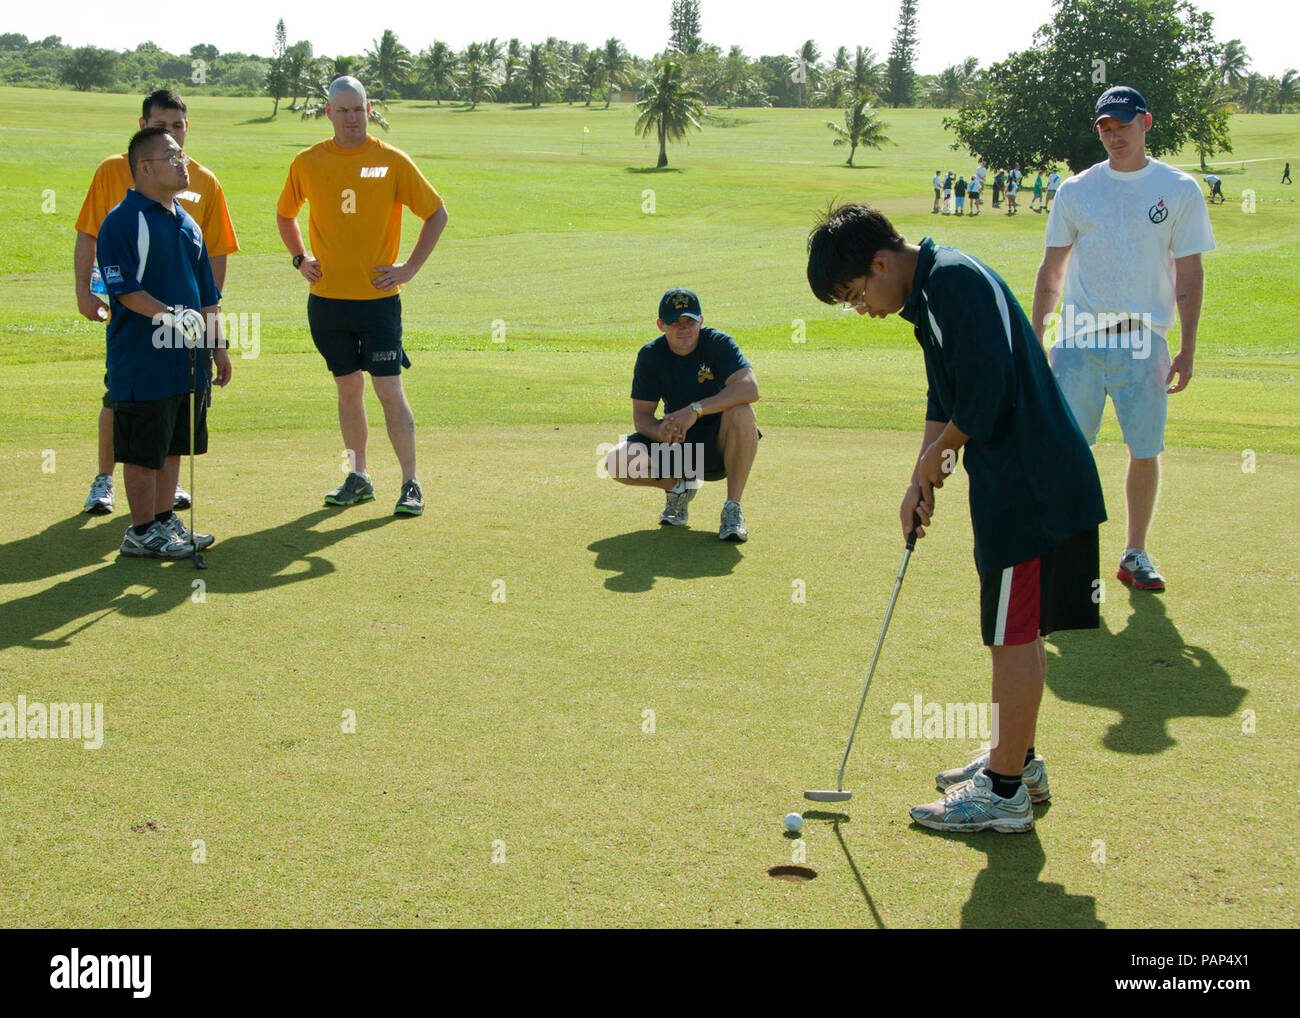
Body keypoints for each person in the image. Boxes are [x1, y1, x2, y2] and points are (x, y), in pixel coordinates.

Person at [806, 203, 1105, 833]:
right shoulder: (933, 292)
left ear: (880, 263)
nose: (863, 310)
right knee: (1017, 629)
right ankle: (1016, 762)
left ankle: (1002, 792)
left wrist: (939, 458)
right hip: (1028, 480)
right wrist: (922, 473)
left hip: (1031, 486)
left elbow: (987, 397)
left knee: (1011, 634)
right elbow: (945, 394)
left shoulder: (952, 285)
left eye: (856, 295)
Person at [1033, 86, 1214, 592]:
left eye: (1123, 126)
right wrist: (1036, 336)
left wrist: (1188, 347)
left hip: (1144, 340)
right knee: (1070, 450)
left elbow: (1191, 272)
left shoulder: (1179, 189)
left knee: (1144, 448)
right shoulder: (1076, 189)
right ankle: (1067, 553)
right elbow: (1053, 268)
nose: (1114, 136)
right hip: (1077, 342)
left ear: (1145, 123)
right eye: (1106, 129)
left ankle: (1134, 553)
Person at [276, 76, 449, 516]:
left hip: (378, 304)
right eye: (343, 110)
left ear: (368, 110)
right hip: (328, 302)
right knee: (348, 390)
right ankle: (359, 477)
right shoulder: (308, 162)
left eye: (359, 110)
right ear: (329, 112)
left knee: (388, 389)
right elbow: (284, 214)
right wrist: (300, 258)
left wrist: (408, 269)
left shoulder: (390, 161)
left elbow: (436, 214)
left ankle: (410, 483)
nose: (352, 118)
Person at [75, 89, 239, 516]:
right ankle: (141, 526)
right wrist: (171, 315)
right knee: (138, 433)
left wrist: (216, 343)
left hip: (184, 350)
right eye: (164, 136)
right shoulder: (124, 216)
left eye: (178, 131)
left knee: (171, 438)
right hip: (142, 351)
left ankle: (162, 521)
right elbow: (124, 286)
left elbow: (209, 293)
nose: (180, 155)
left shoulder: (187, 219)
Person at [602, 288, 760, 542]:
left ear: (701, 321)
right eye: (674, 322)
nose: (683, 329)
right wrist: (660, 431)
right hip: (679, 445)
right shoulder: (650, 355)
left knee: (743, 411)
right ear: (660, 325)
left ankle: (732, 509)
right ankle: (679, 488)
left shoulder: (719, 343)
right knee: (615, 461)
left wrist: (694, 411)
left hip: (720, 446)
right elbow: (642, 417)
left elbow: (749, 388)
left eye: (689, 321)